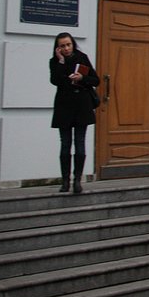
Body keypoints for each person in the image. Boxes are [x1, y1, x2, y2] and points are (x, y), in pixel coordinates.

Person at [49, 32, 99, 193]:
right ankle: (65, 181)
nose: (66, 48)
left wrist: (81, 78)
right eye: (62, 46)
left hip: (81, 106)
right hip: (64, 107)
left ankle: (77, 180)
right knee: (65, 144)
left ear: (73, 44)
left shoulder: (82, 57)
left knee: (80, 143)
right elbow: (55, 80)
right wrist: (61, 62)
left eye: (68, 44)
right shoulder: (55, 62)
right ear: (58, 48)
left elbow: (95, 79)